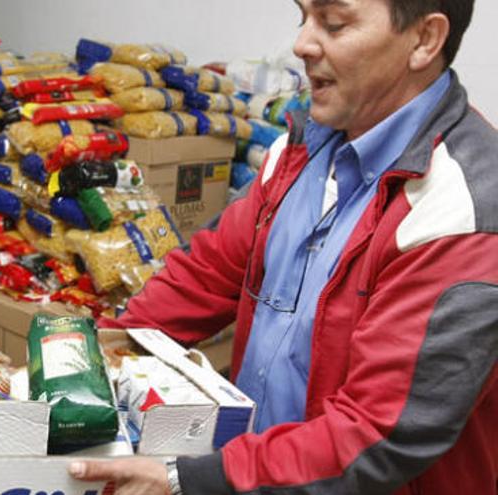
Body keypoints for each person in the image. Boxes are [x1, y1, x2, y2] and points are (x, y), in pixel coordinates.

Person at [70, 0, 497, 494]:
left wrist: (186, 479)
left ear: (424, 40)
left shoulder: (460, 210)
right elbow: (204, 277)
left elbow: (377, 434)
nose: (302, 44)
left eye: (334, 24)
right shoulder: (299, 152)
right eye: (303, 17)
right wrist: (83, 360)